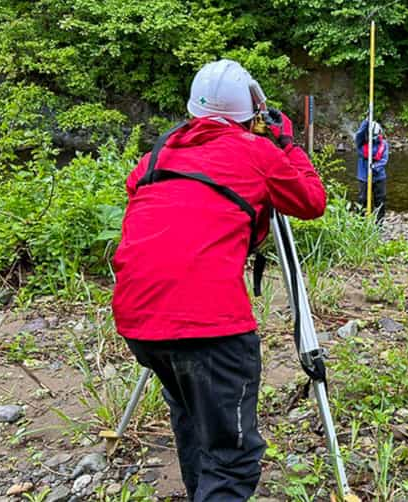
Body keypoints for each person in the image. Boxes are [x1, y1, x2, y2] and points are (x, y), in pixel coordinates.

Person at [111, 59, 326, 501]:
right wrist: (286, 144)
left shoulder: (155, 155)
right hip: (211, 327)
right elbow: (311, 201)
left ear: (193, 111)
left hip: (138, 320)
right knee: (233, 458)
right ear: (250, 113)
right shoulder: (257, 152)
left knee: (191, 415)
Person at [355, 118, 389, 222]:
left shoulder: (384, 144)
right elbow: (359, 133)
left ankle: (379, 223)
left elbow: (384, 159)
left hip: (379, 177)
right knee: (362, 200)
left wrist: (375, 167)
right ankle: (360, 221)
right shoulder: (361, 142)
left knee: (380, 199)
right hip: (364, 177)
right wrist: (366, 122)